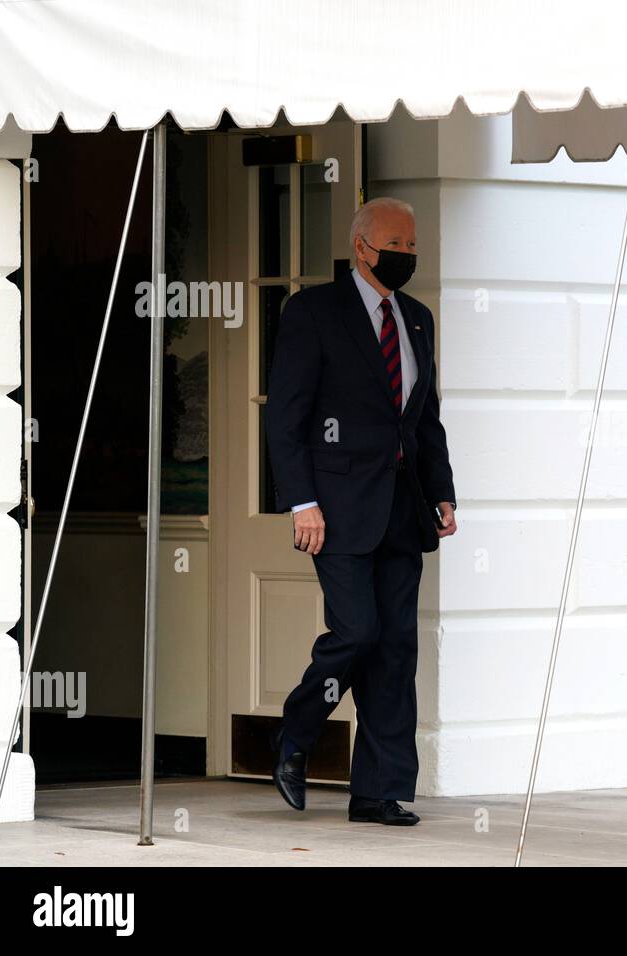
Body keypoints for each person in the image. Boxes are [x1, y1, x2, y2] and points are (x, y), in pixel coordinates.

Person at [264, 196, 457, 825]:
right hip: (337, 510)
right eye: (392, 246)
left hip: (405, 509)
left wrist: (443, 490)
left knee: (396, 648)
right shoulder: (313, 311)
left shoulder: (419, 320)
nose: (404, 256)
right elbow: (285, 417)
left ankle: (379, 790)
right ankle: (295, 735)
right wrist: (302, 502)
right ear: (360, 246)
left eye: (411, 246)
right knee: (358, 632)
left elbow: (425, 418)